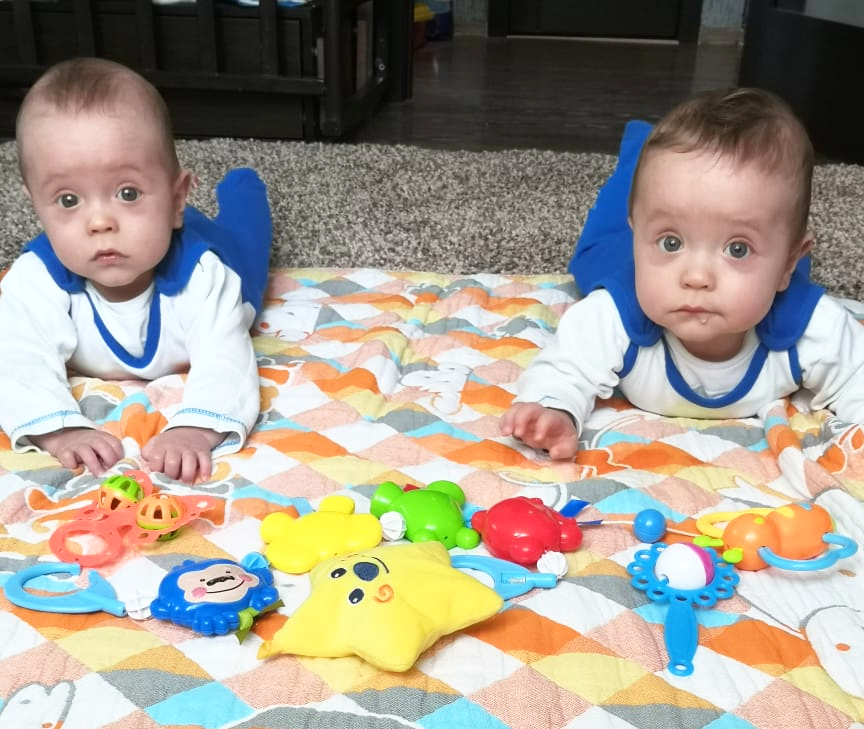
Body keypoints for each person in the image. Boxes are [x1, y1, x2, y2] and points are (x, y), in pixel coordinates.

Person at [501, 87, 864, 459]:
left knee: (771, 232)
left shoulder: (810, 327)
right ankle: (640, 152)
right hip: (618, 252)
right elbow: (565, 368)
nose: (696, 277)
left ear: (788, 264)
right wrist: (554, 410)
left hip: (747, 259)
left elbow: (857, 375)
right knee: (595, 252)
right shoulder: (613, 314)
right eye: (672, 243)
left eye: (737, 249)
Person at [0, 57, 272, 483]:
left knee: (248, 235)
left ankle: (243, 184)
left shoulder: (205, 274)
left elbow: (227, 360)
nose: (99, 222)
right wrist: (59, 428)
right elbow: (17, 359)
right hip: (158, 228)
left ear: (177, 199)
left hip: (210, 246)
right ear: (36, 205)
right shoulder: (36, 279)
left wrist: (195, 427)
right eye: (68, 200)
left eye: (128, 193)